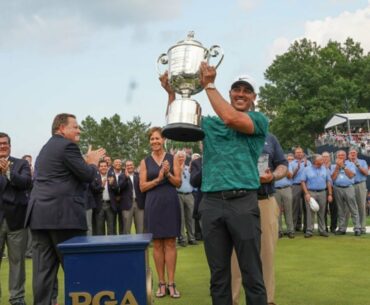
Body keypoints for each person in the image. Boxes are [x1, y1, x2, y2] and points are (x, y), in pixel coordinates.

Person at [160, 64, 268, 305]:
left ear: (253, 98)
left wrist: (209, 84)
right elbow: (178, 126)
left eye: (246, 91)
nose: (241, 94)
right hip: (210, 203)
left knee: (252, 273)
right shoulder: (209, 123)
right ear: (229, 94)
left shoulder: (258, 120)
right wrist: (172, 95)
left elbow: (230, 118)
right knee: (218, 276)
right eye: (236, 89)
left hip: (242, 202)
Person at [25, 113, 105, 305]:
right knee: (77, 268)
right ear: (61, 128)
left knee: (43, 273)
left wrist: (84, 161)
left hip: (40, 216)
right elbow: (86, 175)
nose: (79, 130)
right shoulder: (68, 146)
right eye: (75, 126)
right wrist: (92, 162)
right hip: (63, 217)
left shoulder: (46, 148)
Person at [231, 132, 288, 305]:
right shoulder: (230, 136)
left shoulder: (269, 138)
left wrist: (274, 176)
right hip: (236, 200)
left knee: (267, 253)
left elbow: (283, 165)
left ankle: (267, 300)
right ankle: (232, 300)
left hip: (264, 199)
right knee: (234, 255)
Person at [139, 127, 182, 298]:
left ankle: (171, 283)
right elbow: (142, 187)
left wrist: (168, 173)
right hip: (153, 203)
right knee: (157, 244)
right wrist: (157, 178)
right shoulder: (145, 162)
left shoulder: (173, 158)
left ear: (163, 140)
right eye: (152, 139)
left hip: (170, 202)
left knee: (170, 242)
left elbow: (178, 183)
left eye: (157, 138)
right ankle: (161, 283)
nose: (155, 141)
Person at [0, 132, 32, 305]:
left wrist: (9, 173)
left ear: (10, 146)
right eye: (0, 144)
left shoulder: (21, 164)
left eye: (5, 143)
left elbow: (27, 183)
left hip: (16, 221)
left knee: (17, 263)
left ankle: (17, 298)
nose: (2, 146)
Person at [301, 154, 333, 238]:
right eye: (321, 159)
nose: (323, 161)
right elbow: (303, 182)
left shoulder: (325, 169)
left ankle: (322, 230)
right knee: (310, 212)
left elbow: (328, 181)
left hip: (323, 192)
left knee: (322, 212)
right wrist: (306, 193)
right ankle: (309, 230)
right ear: (315, 161)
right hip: (311, 192)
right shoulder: (306, 169)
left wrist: (330, 194)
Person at [330, 150, 361, 236]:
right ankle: (342, 228)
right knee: (340, 209)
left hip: (349, 188)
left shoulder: (351, 164)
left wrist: (343, 166)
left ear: (345, 156)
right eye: (339, 155)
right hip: (337, 188)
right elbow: (332, 178)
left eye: (342, 155)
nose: (341, 157)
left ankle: (357, 228)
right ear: (336, 157)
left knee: (353, 208)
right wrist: (337, 167)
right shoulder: (333, 166)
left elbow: (351, 175)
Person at [176, 150, 197, 246]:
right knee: (181, 218)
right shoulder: (175, 169)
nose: (181, 158)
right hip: (178, 194)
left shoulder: (189, 169)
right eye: (179, 156)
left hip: (189, 194)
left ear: (185, 158)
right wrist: (179, 170)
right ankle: (182, 239)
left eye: (182, 156)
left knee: (191, 217)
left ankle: (191, 238)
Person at [119, 160, 145, 234]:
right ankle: (127, 244)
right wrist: (126, 178)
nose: (130, 166)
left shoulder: (138, 175)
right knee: (126, 228)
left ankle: (140, 244)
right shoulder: (122, 176)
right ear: (125, 167)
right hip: (127, 205)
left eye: (131, 165)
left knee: (140, 227)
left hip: (139, 204)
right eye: (128, 165)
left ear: (134, 166)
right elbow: (120, 187)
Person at [291, 147, 311, 232]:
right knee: (294, 207)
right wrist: (297, 168)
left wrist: (305, 166)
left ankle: (307, 227)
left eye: (300, 152)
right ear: (294, 154)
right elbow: (291, 176)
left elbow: (310, 175)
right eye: (297, 152)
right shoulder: (291, 163)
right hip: (296, 185)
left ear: (303, 153)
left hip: (306, 186)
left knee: (307, 207)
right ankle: (293, 227)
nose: (299, 154)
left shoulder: (308, 163)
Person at [348, 147, 368, 234]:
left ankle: (362, 227)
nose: (353, 154)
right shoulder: (346, 163)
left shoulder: (362, 162)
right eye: (351, 153)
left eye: (354, 153)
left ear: (357, 154)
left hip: (360, 184)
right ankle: (356, 227)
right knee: (351, 207)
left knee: (361, 206)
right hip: (349, 185)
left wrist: (358, 165)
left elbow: (366, 173)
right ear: (349, 154)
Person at [274, 156, 294, 239]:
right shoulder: (272, 165)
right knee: (277, 211)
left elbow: (290, 176)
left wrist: (285, 170)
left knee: (288, 210)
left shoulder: (288, 165)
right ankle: (279, 231)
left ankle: (290, 231)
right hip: (275, 189)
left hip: (286, 188)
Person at [322, 151, 337, 233]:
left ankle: (333, 227)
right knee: (323, 209)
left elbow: (333, 178)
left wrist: (327, 168)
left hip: (332, 188)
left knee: (334, 209)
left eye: (327, 157)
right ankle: (324, 227)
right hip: (323, 189)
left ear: (330, 158)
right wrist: (325, 168)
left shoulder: (334, 166)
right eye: (323, 157)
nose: (325, 158)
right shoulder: (319, 166)